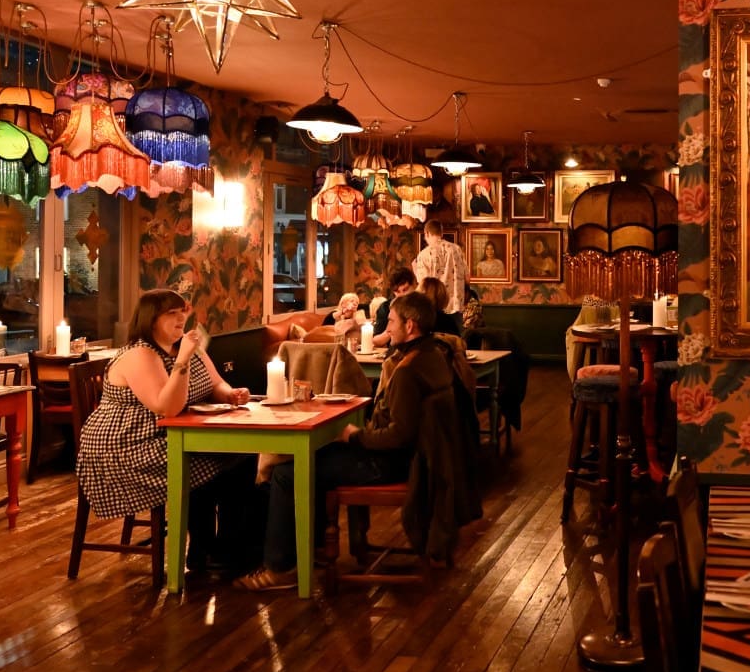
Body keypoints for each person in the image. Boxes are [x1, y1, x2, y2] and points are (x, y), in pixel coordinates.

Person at [241, 291, 472, 588]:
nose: (387, 328)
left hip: (395, 464)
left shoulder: (408, 370)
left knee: (288, 472)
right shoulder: (434, 356)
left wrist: (354, 436)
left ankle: (281, 567)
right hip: (422, 459)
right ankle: (311, 550)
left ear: (410, 325)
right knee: (313, 461)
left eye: (391, 322)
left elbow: (397, 436)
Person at [77, 289, 260, 575]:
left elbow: (215, 383)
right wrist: (182, 361)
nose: (180, 319)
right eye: (171, 314)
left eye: (182, 312)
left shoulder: (184, 347)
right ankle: (205, 551)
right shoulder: (140, 354)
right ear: (151, 320)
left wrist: (230, 394)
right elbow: (168, 408)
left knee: (242, 455)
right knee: (209, 465)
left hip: (168, 434)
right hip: (125, 446)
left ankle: (225, 549)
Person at [412, 220, 467, 334]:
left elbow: (424, 284)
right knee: (456, 343)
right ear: (441, 233)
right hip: (455, 304)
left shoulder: (424, 254)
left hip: (434, 308)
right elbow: (468, 277)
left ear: (426, 233)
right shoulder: (457, 250)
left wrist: (415, 270)